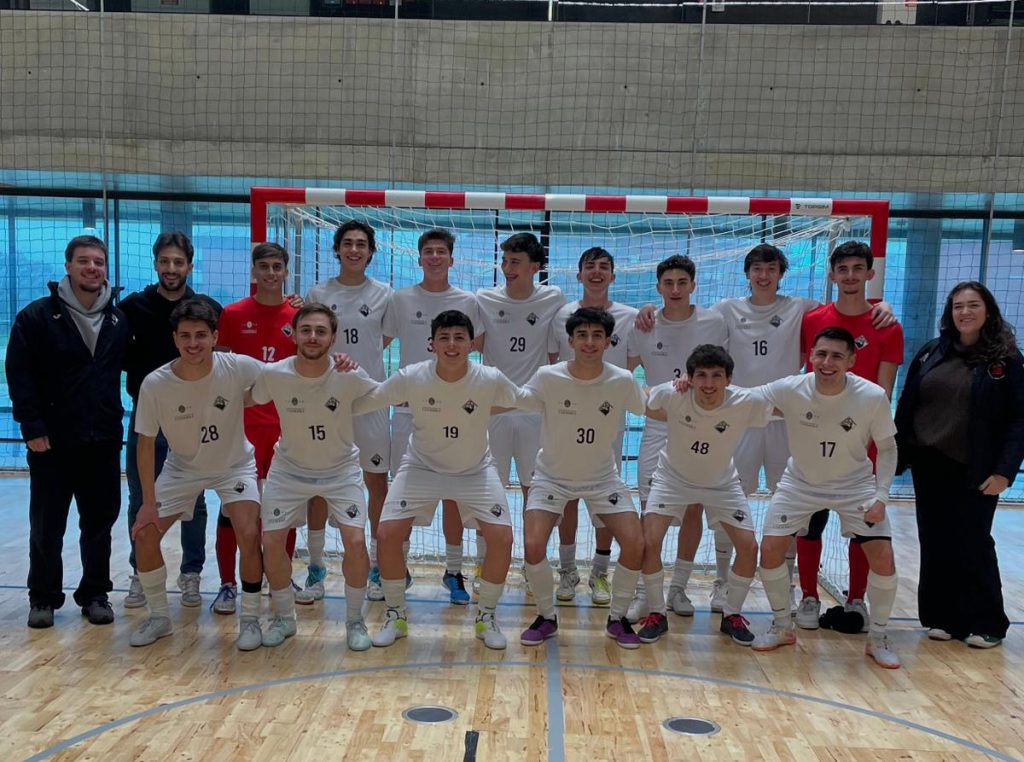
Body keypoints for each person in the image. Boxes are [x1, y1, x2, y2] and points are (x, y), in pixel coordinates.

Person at [355, 310, 519, 650]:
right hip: (421, 467)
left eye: (460, 337)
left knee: (502, 538)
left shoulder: (490, 378)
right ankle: (395, 614)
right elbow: (369, 400)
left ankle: (486, 616)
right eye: (444, 337)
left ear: (472, 344)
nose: (452, 344)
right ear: (431, 344)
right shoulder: (412, 376)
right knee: (387, 534)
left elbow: (521, 400)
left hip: (475, 470)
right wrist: (333, 380)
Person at [751, 327, 902, 669]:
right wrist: (687, 386)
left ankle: (878, 637)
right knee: (771, 550)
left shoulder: (872, 396)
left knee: (883, 557)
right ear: (810, 357)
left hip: (855, 486)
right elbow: (742, 398)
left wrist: (881, 496)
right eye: (820, 354)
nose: (827, 362)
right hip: (800, 483)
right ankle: (782, 626)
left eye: (836, 356)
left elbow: (888, 447)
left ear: (851, 361)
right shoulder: (791, 387)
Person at [6, 235, 128, 629]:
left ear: (106, 269)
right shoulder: (36, 317)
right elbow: (19, 374)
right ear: (68, 267)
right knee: (47, 525)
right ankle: (42, 598)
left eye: (99, 262)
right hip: (52, 442)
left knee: (99, 525)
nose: (92, 268)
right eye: (84, 261)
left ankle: (95, 594)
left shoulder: (118, 319)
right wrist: (32, 426)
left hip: (103, 440)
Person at [129, 298, 265, 649]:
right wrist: (147, 503)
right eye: (186, 336)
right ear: (175, 339)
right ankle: (160, 617)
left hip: (234, 465)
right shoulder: (155, 384)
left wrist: (334, 364)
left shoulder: (237, 366)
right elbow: (145, 445)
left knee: (249, 533)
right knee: (144, 534)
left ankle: (251, 620)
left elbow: (283, 376)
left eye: (201, 335)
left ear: (215, 337)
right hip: (182, 469)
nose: (193, 343)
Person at [895, 281, 1024, 648]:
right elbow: (907, 402)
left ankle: (988, 622)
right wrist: (899, 454)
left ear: (988, 311)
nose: (965, 312)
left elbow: (1019, 420)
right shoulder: (931, 352)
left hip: (977, 466)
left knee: (974, 541)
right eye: (958, 306)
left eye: (973, 305)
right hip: (929, 463)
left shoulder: (1007, 359)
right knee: (935, 540)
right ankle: (942, 617)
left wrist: (1005, 471)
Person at [251, 304, 378, 651]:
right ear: (293, 334)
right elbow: (247, 397)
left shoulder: (350, 374)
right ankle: (284, 618)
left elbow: (379, 396)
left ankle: (355, 621)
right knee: (271, 542)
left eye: (321, 331)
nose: (312, 337)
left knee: (356, 543)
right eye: (306, 330)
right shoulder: (274, 373)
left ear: (333, 338)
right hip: (289, 470)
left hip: (341, 470)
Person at [519, 308, 648, 649]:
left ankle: (617, 619)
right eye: (582, 335)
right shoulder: (548, 376)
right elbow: (517, 400)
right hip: (552, 477)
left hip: (602, 478)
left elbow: (650, 405)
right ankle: (546, 617)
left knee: (635, 543)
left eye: (597, 336)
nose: (589, 342)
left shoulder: (622, 379)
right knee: (533, 545)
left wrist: (683, 387)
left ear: (608, 342)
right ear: (570, 340)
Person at [795, 241, 903, 630]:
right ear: (832, 275)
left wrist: (864, 432)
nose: (851, 275)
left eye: (858, 268)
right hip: (815, 437)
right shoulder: (813, 319)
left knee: (864, 526)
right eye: (843, 269)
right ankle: (808, 596)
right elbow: (804, 377)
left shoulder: (887, 325)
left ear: (870, 274)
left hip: (861, 441)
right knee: (810, 520)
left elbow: (884, 391)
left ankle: (856, 600)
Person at [640, 345, 772, 646]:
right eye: (701, 375)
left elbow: (783, 406)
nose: (709, 383)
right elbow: (644, 395)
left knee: (749, 546)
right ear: (690, 378)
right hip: (672, 479)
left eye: (716, 376)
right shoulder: (673, 393)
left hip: (721, 483)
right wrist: (672, 383)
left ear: (729, 379)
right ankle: (657, 613)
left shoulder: (746, 401)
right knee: (649, 541)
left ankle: (731, 615)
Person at [120, 232, 221, 611]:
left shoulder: (206, 307)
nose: (171, 268)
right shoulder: (133, 307)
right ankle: (140, 571)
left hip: (193, 420)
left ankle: (191, 573)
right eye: (165, 261)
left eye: (178, 262)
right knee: (140, 498)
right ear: (156, 264)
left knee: (194, 499)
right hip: (146, 417)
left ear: (189, 266)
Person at [382, 229, 483, 605]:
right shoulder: (401, 299)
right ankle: (400, 567)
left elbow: (479, 346)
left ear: (452, 259)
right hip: (409, 410)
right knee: (404, 493)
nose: (435, 257)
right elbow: (378, 342)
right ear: (420, 258)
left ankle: (454, 571)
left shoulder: (468, 300)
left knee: (453, 494)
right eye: (429, 251)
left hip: (456, 411)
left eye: (442, 251)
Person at [626, 255, 729, 620]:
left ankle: (679, 589)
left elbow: (724, 369)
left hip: (701, 426)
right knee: (649, 511)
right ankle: (644, 591)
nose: (675, 289)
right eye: (668, 283)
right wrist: (647, 396)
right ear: (658, 287)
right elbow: (625, 374)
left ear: (693, 285)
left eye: (682, 282)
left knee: (694, 507)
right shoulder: (643, 324)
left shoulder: (714, 321)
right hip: (658, 426)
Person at [215, 242, 306, 611]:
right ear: (253, 272)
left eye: (277, 267)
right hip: (243, 427)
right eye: (264, 267)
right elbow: (220, 371)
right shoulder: (233, 314)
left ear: (286, 271)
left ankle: (280, 579)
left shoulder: (299, 316)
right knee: (235, 509)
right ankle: (227, 583)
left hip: (287, 426)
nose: (271, 273)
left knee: (285, 507)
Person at [306, 221, 394, 602]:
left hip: (370, 400)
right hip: (327, 401)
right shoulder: (319, 293)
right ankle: (315, 566)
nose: (354, 249)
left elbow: (381, 340)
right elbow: (310, 339)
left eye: (361, 244)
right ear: (337, 249)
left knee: (376, 482)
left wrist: (360, 364)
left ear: (371, 251)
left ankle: (377, 566)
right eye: (347, 243)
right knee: (319, 484)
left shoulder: (384, 294)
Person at [547, 247, 638, 606]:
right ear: (579, 274)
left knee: (604, 497)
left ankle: (600, 571)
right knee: (566, 496)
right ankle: (567, 570)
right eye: (590, 266)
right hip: (566, 417)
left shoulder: (631, 317)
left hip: (606, 420)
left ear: (613, 275)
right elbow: (553, 360)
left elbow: (633, 365)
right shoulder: (562, 314)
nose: (596, 272)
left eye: (603, 267)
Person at [477, 232, 565, 591]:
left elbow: (560, 348)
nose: (507, 268)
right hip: (494, 410)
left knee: (536, 491)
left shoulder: (553, 298)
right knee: (488, 490)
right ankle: (485, 564)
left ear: (535, 267)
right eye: (505, 261)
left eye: (515, 262)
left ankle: (534, 565)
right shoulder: (484, 299)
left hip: (533, 412)